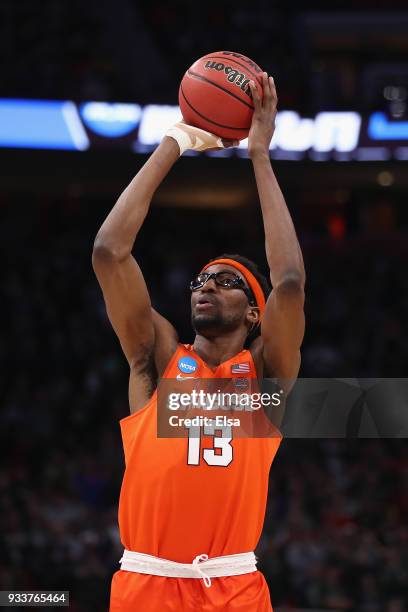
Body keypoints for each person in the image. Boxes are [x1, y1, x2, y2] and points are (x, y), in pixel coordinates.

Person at [92, 73, 305, 611]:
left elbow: (290, 282)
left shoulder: (265, 375)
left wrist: (260, 155)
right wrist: (178, 140)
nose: (206, 285)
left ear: (255, 313)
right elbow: (109, 253)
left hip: (236, 586)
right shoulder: (157, 357)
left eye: (226, 280)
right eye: (201, 280)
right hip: (148, 581)